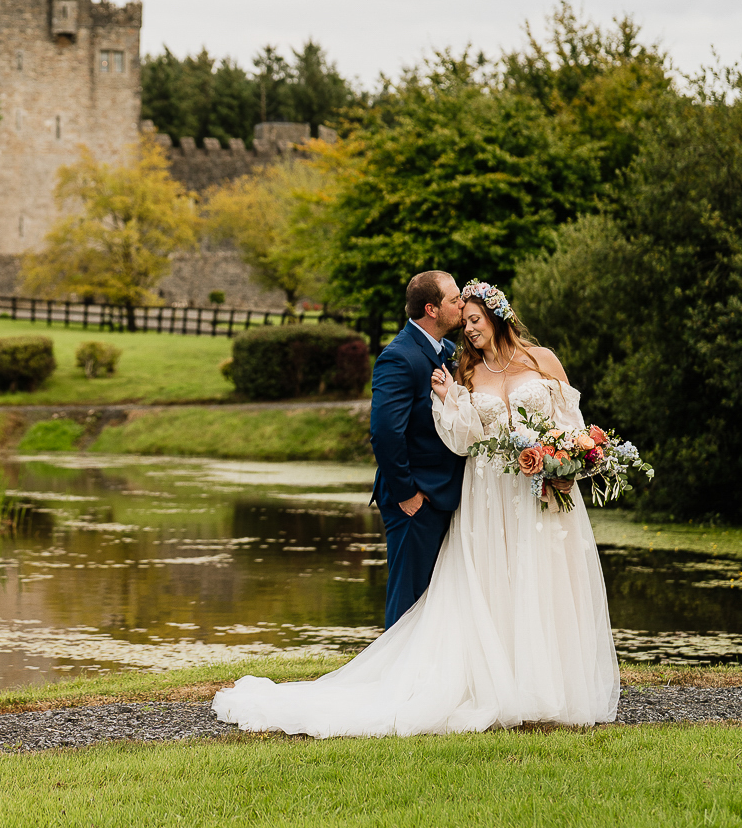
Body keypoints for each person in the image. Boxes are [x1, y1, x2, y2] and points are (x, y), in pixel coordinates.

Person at [213, 280, 619, 737]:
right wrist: (448, 400)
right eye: (462, 322)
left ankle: (548, 687)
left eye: (473, 320)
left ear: (497, 314)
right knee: (493, 586)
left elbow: (574, 427)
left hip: (544, 492)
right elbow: (462, 438)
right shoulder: (462, 370)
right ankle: (494, 687)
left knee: (544, 581)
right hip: (488, 495)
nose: (468, 330)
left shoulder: (542, 360)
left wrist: (568, 464)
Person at [369, 270, 467, 628]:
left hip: (448, 494)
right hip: (416, 499)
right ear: (432, 309)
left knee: (439, 598)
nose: (462, 304)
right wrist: (407, 493)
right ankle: (393, 681)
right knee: (409, 599)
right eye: (455, 299)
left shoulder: (450, 352)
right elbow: (384, 432)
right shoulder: (399, 357)